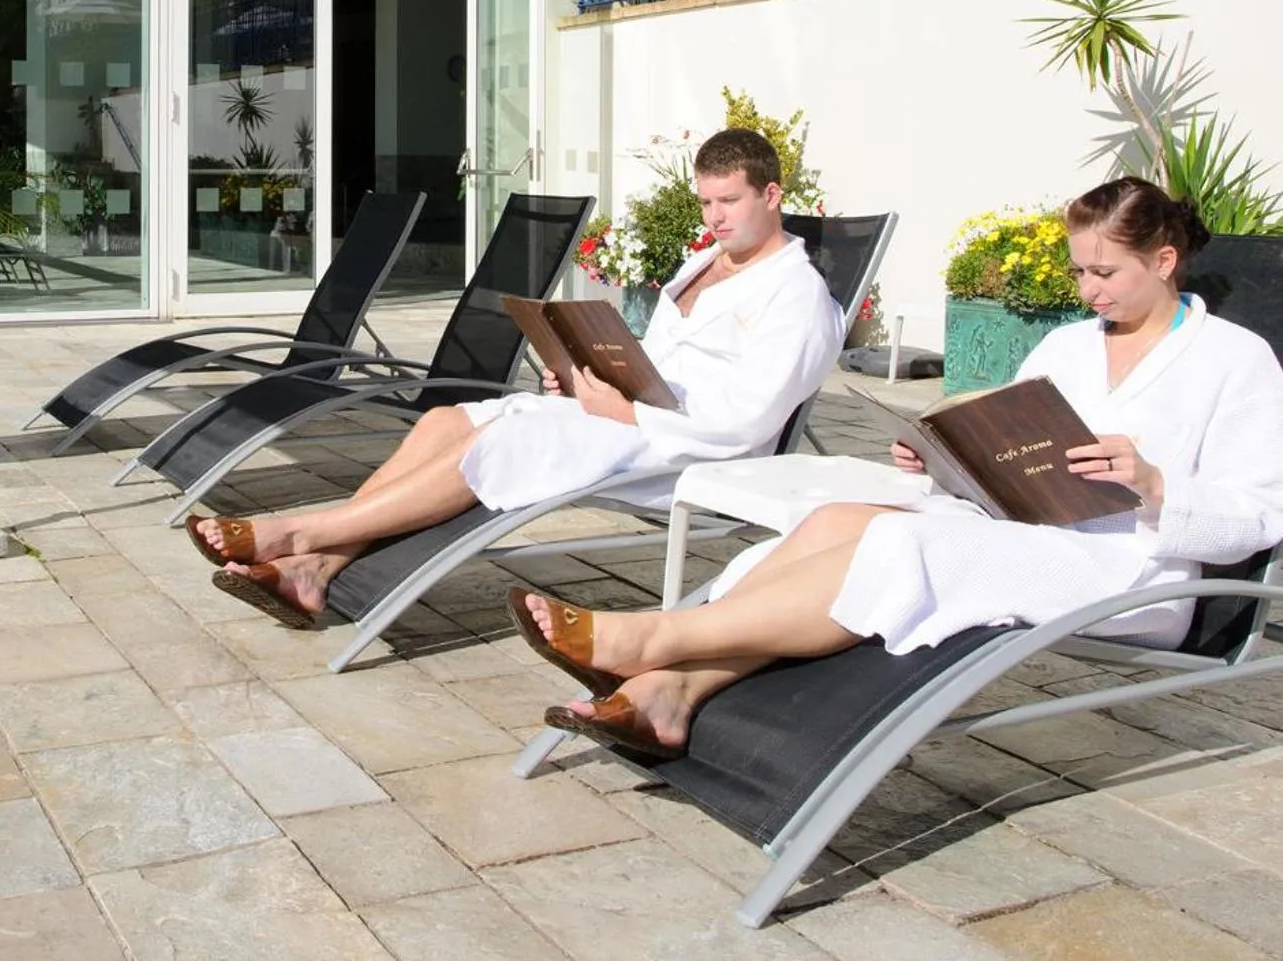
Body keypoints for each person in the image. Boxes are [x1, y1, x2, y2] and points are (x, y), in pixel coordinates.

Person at [515, 177, 1283, 762]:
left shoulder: (1235, 362)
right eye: (1080, 272)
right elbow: (1018, 447)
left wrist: (1153, 483)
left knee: (902, 548)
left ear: (1165, 259)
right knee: (835, 522)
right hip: (1029, 533)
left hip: (1130, 573)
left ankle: (651, 643)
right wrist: (948, 456)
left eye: (1105, 273)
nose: (1089, 291)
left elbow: (1257, 516)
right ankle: (670, 697)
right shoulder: (1070, 347)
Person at [190, 128, 846, 626]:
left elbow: (745, 423)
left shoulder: (797, 297)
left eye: (728, 201)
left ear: (771, 194)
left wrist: (624, 413)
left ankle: (303, 533)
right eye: (705, 202)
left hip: (685, 451)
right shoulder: (704, 263)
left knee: (494, 445)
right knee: (448, 419)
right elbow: (660, 362)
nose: (714, 218)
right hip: (628, 414)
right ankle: (316, 569)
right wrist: (583, 371)